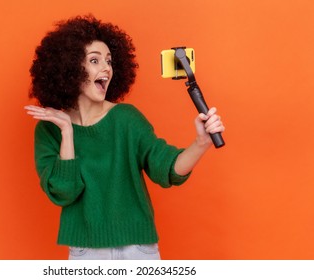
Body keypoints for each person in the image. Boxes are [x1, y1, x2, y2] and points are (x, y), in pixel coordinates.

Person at [24, 15, 225, 260]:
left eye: (109, 61)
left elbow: (167, 169)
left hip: (137, 250)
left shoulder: (126, 119)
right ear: (70, 68)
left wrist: (201, 142)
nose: (106, 68)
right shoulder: (50, 129)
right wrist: (67, 132)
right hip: (85, 253)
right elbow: (65, 192)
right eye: (94, 60)